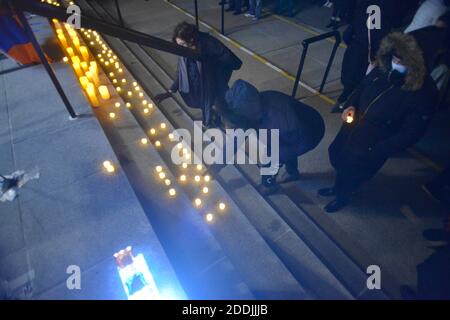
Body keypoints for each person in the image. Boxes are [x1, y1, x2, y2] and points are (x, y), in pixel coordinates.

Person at [320, 32, 439, 213]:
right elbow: (361, 87)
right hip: (353, 129)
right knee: (339, 157)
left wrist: (381, 149)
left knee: (355, 172)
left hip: (375, 141)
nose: (396, 64)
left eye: (402, 61)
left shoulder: (424, 93)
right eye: (395, 58)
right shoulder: (382, 68)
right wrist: (350, 105)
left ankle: (344, 196)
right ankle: (337, 188)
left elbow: (412, 132)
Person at [220, 80, 325, 195]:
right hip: (297, 125)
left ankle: (269, 186)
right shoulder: (253, 106)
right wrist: (218, 164)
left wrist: (268, 175)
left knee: (272, 156)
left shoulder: (273, 120)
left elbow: (277, 154)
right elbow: (238, 137)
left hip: (310, 132)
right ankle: (292, 172)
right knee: (279, 148)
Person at [154, 22, 242, 127]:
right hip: (199, 88)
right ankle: (215, 118)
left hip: (214, 86)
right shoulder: (184, 50)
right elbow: (180, 71)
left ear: (191, 39)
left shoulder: (209, 44)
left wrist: (214, 70)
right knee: (207, 106)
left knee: (224, 110)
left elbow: (235, 62)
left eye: (182, 44)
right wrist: (171, 90)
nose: (180, 47)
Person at [331, 0, 394, 113]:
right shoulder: (386, 12)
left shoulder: (362, 10)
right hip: (370, 55)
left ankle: (342, 101)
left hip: (355, 50)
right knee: (362, 81)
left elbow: (347, 35)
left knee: (348, 78)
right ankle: (350, 103)